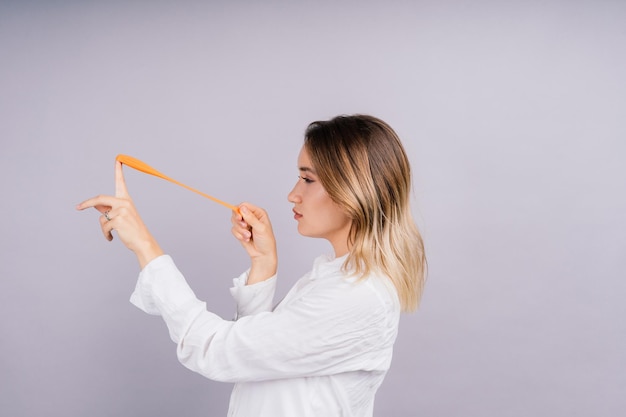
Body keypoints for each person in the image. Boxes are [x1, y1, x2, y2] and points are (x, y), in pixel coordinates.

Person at [77, 114, 427, 417]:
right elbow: (255, 361)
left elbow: (214, 351)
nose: (293, 194)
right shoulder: (335, 278)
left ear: (354, 191)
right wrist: (263, 263)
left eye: (307, 179)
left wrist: (144, 245)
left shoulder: (356, 298)